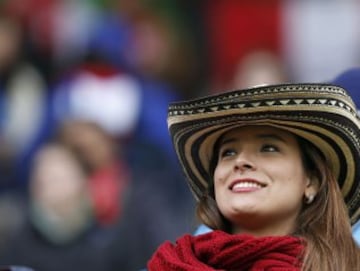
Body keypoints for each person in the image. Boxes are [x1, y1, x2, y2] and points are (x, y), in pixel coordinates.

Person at [147, 83, 360, 270]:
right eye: (228, 153)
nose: (240, 161)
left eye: (268, 148)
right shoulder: (170, 264)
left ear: (312, 181)